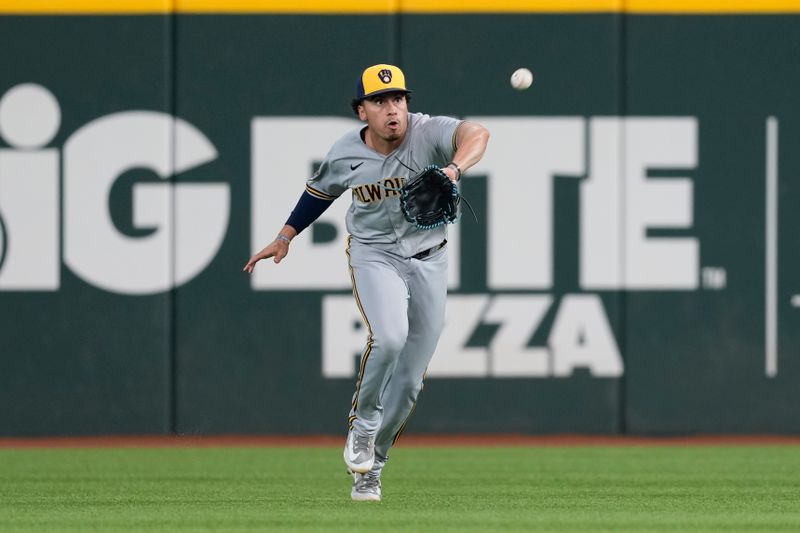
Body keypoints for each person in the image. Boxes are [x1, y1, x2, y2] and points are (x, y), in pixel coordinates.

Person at [244, 64, 489, 502]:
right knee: (390, 338)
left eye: (398, 99)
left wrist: (452, 169)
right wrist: (284, 237)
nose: (392, 109)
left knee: (411, 380)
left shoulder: (427, 131)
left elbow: (478, 135)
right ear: (362, 112)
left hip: (430, 259)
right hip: (375, 254)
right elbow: (318, 194)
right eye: (379, 101)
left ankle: (371, 468)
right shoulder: (345, 152)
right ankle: (363, 424)